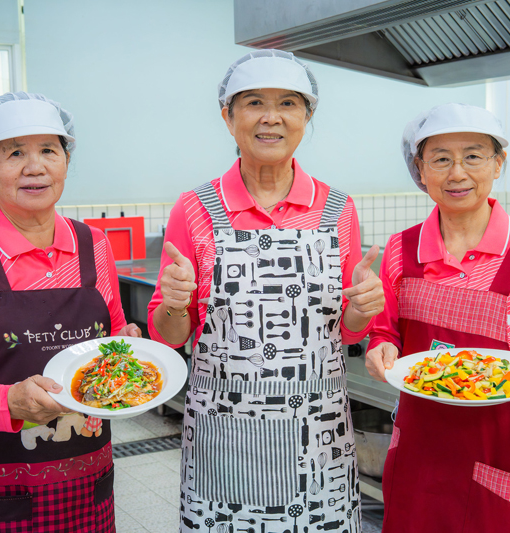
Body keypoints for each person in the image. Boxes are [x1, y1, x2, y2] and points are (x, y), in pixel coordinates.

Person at [148, 49, 384, 532]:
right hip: (225, 433)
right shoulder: (195, 207)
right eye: (254, 102)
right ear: (227, 116)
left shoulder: (337, 208)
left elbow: (347, 332)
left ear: (307, 116)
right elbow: (170, 336)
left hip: (316, 435)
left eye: (289, 104)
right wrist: (174, 302)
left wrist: (362, 309)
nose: (271, 117)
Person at [0, 92, 140, 532]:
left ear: (66, 161)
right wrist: (9, 401)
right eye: (15, 152)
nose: (34, 166)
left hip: (87, 477)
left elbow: (111, 340)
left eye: (48, 151)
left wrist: (125, 350)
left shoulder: (94, 246)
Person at [365, 103, 510, 532]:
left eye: (473, 156)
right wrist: (381, 346)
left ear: (498, 164)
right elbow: (384, 330)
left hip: (509, 446)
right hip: (422, 451)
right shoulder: (400, 249)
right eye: (441, 159)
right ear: (420, 170)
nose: (457, 173)